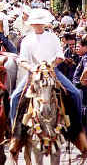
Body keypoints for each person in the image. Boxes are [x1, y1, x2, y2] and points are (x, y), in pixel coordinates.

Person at [10, 8, 87, 153]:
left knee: (76, 94)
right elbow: (22, 60)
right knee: (14, 98)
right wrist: (33, 68)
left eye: (40, 23)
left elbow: (60, 56)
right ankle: (16, 134)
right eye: (35, 23)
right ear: (31, 24)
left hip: (53, 71)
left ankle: (77, 131)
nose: (38, 25)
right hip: (33, 73)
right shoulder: (27, 39)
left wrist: (50, 66)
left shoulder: (52, 37)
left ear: (44, 24)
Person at [73, 35, 87, 132]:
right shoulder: (83, 57)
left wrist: (82, 81)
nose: (77, 49)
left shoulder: (85, 58)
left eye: (79, 46)